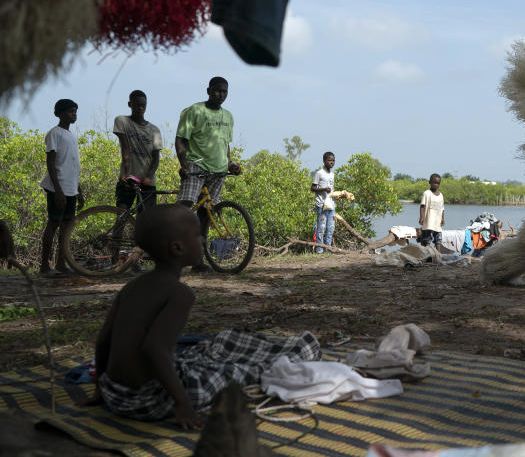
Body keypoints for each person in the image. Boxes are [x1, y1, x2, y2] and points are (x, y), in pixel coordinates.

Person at [92, 205, 321, 427]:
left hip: (113, 393)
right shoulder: (179, 293)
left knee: (208, 351)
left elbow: (103, 341)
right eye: (197, 235)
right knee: (234, 372)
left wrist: (99, 390)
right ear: (177, 248)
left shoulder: (132, 286)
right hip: (150, 401)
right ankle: (292, 355)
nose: (203, 239)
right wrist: (182, 403)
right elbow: (154, 349)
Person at [175, 77, 241, 272]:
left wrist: (230, 164)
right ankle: (172, 251)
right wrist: (183, 164)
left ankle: (198, 261)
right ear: (208, 91)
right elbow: (180, 140)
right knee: (185, 209)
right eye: (217, 91)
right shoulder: (194, 111)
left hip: (218, 171)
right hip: (196, 166)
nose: (221, 95)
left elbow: (225, 145)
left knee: (206, 214)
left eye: (224, 92)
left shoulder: (228, 116)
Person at [39, 99, 84, 277]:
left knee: (66, 226)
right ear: (59, 114)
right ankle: (44, 266)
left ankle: (61, 264)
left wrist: (79, 191)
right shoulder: (54, 133)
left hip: (71, 187)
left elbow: (73, 167)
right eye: (71, 111)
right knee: (54, 223)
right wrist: (57, 190)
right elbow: (51, 162)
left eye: (75, 111)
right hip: (57, 187)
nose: (74, 114)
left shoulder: (72, 136)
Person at [113, 90, 162, 213]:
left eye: (143, 105)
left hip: (148, 182)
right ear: (130, 105)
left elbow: (156, 158)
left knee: (145, 219)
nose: (140, 108)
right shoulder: (122, 121)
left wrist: (148, 177)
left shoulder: (154, 130)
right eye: (137, 105)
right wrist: (126, 173)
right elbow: (126, 148)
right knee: (122, 214)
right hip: (128, 178)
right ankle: (116, 233)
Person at [311, 152, 336, 252]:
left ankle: (328, 249)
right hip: (321, 205)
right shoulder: (319, 173)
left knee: (330, 228)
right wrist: (324, 189)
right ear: (324, 161)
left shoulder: (332, 175)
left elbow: (332, 191)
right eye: (329, 160)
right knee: (321, 228)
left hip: (331, 205)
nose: (332, 162)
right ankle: (319, 250)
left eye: (333, 160)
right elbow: (312, 188)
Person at [419, 174, 444, 247]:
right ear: (429, 182)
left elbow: (442, 208)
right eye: (434, 183)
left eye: (438, 183)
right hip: (428, 222)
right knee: (427, 239)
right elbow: (422, 206)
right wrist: (421, 217)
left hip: (437, 222)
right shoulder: (427, 193)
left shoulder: (441, 195)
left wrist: (442, 219)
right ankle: (427, 256)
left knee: (438, 240)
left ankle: (438, 256)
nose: (436, 185)